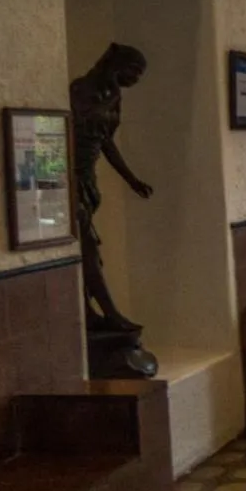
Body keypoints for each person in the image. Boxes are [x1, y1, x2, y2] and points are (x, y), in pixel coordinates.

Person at [69, 43, 152, 333]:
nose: (135, 81)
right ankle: (109, 314)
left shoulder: (113, 97)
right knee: (89, 248)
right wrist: (113, 96)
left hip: (89, 178)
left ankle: (90, 314)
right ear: (118, 67)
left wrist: (132, 180)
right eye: (134, 73)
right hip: (69, 178)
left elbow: (106, 142)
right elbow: (82, 118)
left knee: (87, 247)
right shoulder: (81, 89)